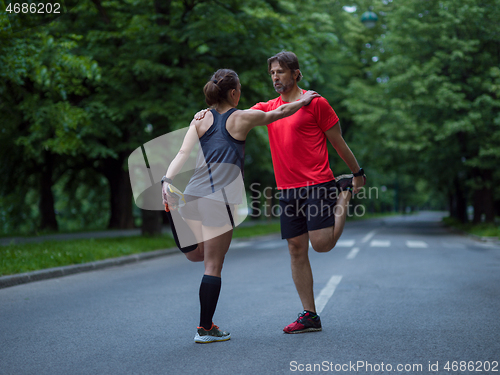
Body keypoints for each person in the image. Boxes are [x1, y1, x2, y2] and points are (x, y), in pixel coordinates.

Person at [195, 51, 365, 334]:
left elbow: (338, 142)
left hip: (318, 183)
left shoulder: (317, 103)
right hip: (287, 189)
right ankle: (310, 315)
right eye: (272, 72)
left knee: (321, 244)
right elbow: (229, 116)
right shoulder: (267, 107)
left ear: (296, 74)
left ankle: (343, 192)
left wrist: (357, 173)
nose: (275, 77)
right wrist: (206, 112)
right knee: (296, 248)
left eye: (281, 72)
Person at [161, 68, 319, 343]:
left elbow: (183, 153)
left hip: (193, 195)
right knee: (212, 265)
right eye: (240, 89)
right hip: (220, 200)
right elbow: (277, 114)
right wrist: (304, 101)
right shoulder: (241, 118)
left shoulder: (200, 119)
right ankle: (205, 328)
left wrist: (167, 180)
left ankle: (175, 211)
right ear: (234, 93)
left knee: (196, 255)